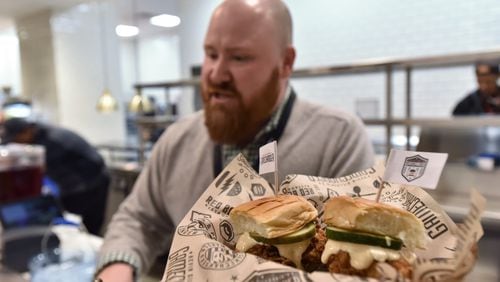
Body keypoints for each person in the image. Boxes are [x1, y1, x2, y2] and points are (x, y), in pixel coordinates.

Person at [96, 0, 375, 281]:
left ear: (285, 63)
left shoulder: (338, 138)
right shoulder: (177, 140)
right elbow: (138, 220)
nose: (216, 73)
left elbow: (354, 253)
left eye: (239, 57)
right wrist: (116, 269)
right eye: (211, 54)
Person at [1, 117, 110, 235]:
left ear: (26, 131)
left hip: (92, 184)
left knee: (88, 226)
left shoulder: (50, 140)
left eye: (16, 139)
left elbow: (96, 162)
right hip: (75, 187)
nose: (16, 144)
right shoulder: (39, 138)